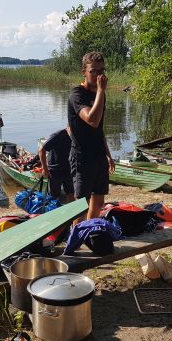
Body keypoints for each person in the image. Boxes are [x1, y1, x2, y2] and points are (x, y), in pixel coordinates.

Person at [67, 51, 115, 220]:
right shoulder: (77, 95)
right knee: (81, 205)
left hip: (98, 156)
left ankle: (89, 232)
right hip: (82, 157)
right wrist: (101, 91)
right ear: (84, 72)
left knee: (98, 201)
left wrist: (108, 155)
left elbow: (99, 128)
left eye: (102, 71)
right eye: (93, 71)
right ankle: (76, 236)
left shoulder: (100, 94)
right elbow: (92, 120)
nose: (98, 75)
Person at [38, 126, 74, 204]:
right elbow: (41, 150)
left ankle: (72, 213)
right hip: (55, 170)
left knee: (71, 193)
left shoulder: (76, 135)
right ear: (68, 127)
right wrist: (45, 168)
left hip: (69, 169)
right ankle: (53, 211)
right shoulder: (57, 135)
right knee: (54, 196)